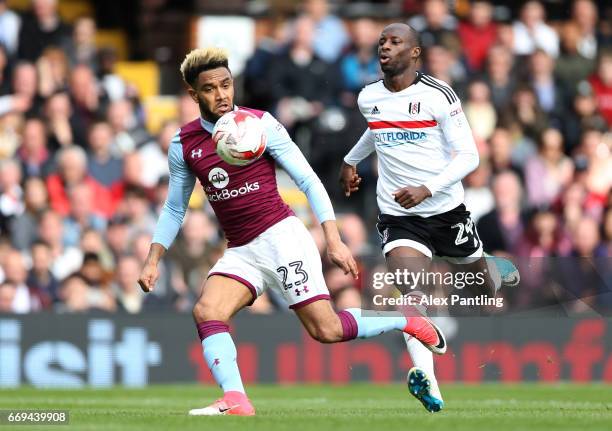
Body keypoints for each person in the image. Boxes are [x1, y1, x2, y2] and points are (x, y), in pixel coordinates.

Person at [137, 47, 446, 416]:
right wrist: (153, 258)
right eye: (210, 89)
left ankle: (409, 320)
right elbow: (175, 206)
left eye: (226, 85)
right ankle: (236, 399)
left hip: (282, 238)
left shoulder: (261, 124)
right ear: (193, 94)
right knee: (206, 310)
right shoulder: (184, 144)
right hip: (241, 250)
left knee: (326, 330)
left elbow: (309, 180)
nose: (221, 95)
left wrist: (333, 238)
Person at [340, 23, 521, 412]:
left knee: (484, 290)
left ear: (415, 53)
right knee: (411, 292)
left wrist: (427, 188)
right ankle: (429, 383)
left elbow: (470, 156)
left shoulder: (439, 95)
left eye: (395, 42)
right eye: (382, 42)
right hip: (398, 215)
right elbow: (377, 129)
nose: (384, 47)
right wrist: (350, 160)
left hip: (444, 211)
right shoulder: (368, 97)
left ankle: (490, 265)